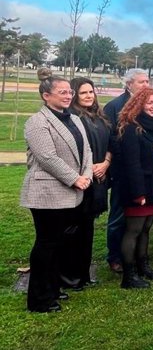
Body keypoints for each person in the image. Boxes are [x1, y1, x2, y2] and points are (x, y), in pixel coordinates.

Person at [21, 71, 92, 313]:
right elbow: (47, 157)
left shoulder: (74, 119)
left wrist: (87, 175)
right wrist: (75, 179)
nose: (68, 96)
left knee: (60, 244)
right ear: (45, 95)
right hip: (46, 193)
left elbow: (87, 151)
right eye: (62, 92)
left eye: (69, 92)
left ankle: (53, 288)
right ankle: (39, 299)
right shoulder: (37, 122)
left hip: (72, 191)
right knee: (47, 244)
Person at [60, 77, 111, 290]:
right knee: (73, 230)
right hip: (80, 180)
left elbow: (111, 142)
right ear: (74, 95)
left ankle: (84, 273)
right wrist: (92, 169)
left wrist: (106, 163)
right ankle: (69, 277)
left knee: (88, 229)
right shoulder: (70, 118)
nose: (89, 96)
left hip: (98, 178)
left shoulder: (99, 118)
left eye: (91, 91)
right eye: (83, 93)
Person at [118, 87, 153, 288]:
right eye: (149, 103)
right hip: (139, 188)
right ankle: (128, 276)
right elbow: (132, 164)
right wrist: (138, 192)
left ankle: (143, 267)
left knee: (146, 228)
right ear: (139, 104)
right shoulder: (132, 128)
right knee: (134, 230)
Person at [103, 68, 149, 273]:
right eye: (141, 82)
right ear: (129, 84)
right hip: (123, 172)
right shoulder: (114, 106)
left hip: (146, 171)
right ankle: (114, 256)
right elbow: (111, 139)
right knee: (119, 215)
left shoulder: (150, 104)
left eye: (148, 81)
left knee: (140, 217)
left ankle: (138, 254)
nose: (146, 85)